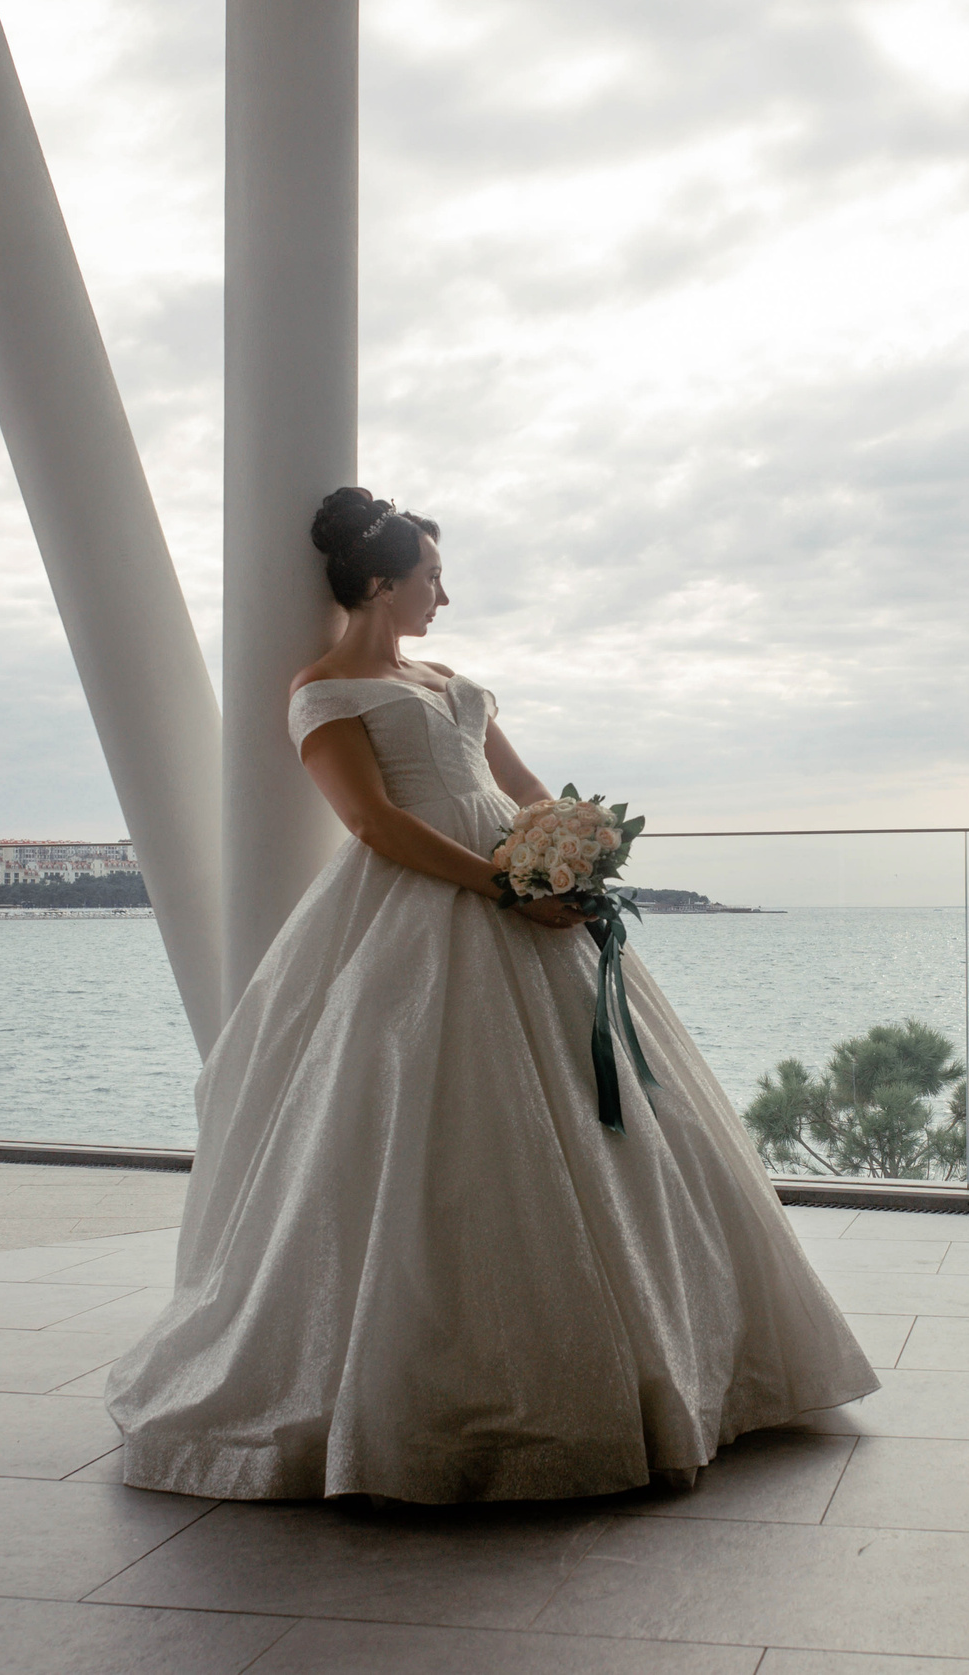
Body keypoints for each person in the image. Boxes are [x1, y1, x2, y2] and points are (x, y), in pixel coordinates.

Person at [106, 488, 877, 1503]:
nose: (444, 595)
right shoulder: (324, 691)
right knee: (430, 1130)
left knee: (624, 1126)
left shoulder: (456, 684)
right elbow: (374, 825)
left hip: (529, 911)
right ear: (381, 583)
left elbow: (526, 794)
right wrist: (508, 888)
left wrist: (573, 855)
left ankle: (674, 1362)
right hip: (421, 912)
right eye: (431, 576)